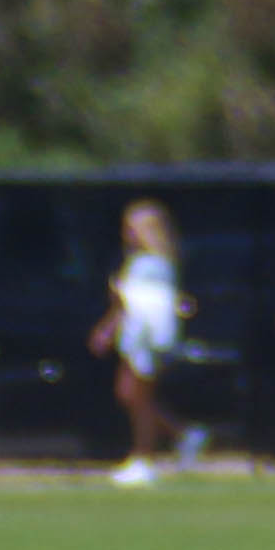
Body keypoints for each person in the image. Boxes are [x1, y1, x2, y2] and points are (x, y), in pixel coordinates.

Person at [94, 202, 189, 485]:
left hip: (146, 339)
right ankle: (181, 435)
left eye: (132, 228)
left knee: (138, 396)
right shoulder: (137, 261)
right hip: (134, 337)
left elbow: (146, 304)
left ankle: (144, 458)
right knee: (129, 394)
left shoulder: (155, 264)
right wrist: (107, 330)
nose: (127, 234)